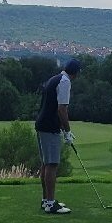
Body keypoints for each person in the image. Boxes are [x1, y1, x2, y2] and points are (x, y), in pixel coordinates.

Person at [34, 58, 81, 214]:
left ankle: (46, 200)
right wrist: (67, 131)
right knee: (52, 164)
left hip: (42, 124)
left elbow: (53, 107)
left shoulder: (55, 78)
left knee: (46, 163)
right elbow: (62, 109)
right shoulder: (65, 82)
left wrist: (62, 128)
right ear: (76, 73)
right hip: (49, 127)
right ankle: (50, 204)